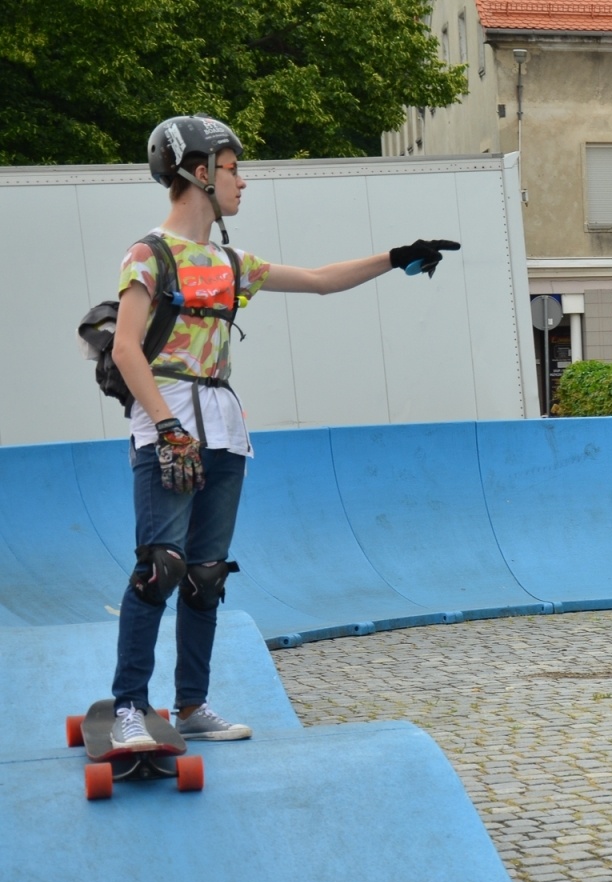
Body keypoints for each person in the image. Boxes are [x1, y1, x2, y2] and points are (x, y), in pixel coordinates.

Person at [106, 113, 460, 751]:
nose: (243, 180)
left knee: (205, 574)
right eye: (234, 167)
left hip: (225, 427)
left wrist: (396, 257)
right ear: (198, 172)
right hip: (168, 422)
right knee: (160, 567)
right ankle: (131, 706)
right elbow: (128, 350)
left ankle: (191, 705)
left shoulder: (231, 261)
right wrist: (166, 427)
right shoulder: (149, 255)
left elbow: (322, 281)